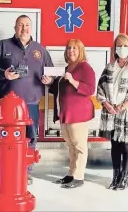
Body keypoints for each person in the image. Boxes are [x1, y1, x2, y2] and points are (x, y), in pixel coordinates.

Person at [0, 15, 54, 185]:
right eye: (21, 25)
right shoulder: (2, 46)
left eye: (27, 25)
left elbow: (51, 72)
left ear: (32, 27)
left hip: (31, 103)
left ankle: (25, 172)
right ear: (15, 28)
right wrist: (3, 74)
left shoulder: (40, 49)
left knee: (30, 138)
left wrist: (50, 80)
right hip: (7, 106)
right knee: (6, 140)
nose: (24, 28)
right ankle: (4, 169)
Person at [97, 33, 128, 191]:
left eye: (125, 45)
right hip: (111, 111)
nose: (122, 48)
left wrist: (124, 105)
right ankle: (116, 176)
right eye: (119, 45)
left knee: (126, 145)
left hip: (127, 111)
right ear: (115, 48)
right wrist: (106, 104)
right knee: (115, 145)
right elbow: (100, 88)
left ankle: (124, 177)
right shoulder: (109, 67)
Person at [49, 39, 96, 188]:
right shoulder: (67, 68)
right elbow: (59, 89)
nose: (71, 51)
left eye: (75, 48)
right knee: (71, 146)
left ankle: (79, 176)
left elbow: (90, 89)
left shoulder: (85, 67)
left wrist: (73, 81)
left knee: (80, 146)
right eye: (69, 48)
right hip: (66, 113)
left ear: (80, 50)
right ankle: (71, 174)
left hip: (79, 114)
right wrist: (49, 82)